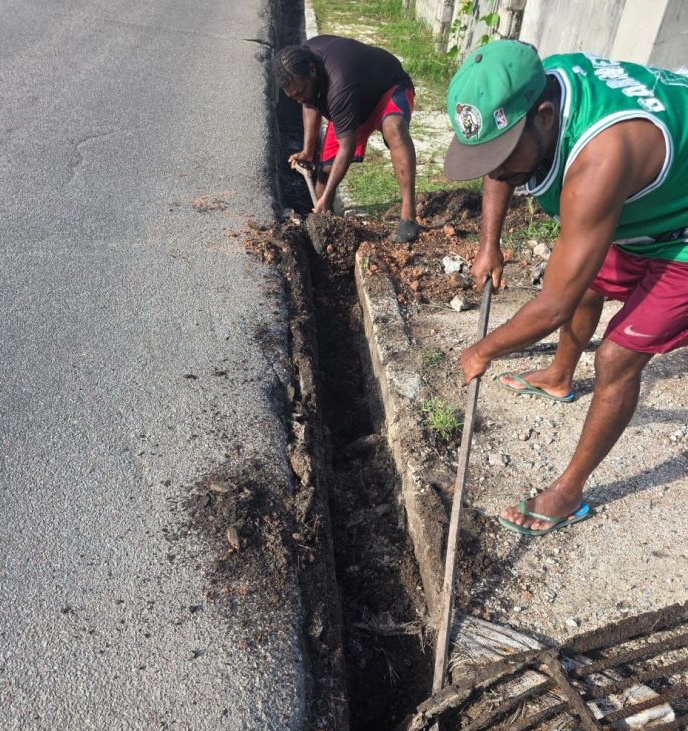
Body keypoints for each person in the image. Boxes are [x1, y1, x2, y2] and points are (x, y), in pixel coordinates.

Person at [443, 40, 688, 537]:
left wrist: (483, 349)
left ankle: (569, 492)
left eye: (504, 154)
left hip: (682, 233)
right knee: (589, 282)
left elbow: (553, 306)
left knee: (618, 357)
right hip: (650, 204)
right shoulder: (526, 87)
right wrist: (489, 242)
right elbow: (500, 162)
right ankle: (559, 376)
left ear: (546, 117)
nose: (496, 169)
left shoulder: (601, 160)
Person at [275, 36, 419, 243]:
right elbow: (309, 103)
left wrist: (327, 197)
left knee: (394, 128)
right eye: (293, 97)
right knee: (323, 179)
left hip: (387, 90)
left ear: (313, 70)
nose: (299, 99)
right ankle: (326, 238)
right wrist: (308, 151)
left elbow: (347, 147)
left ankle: (409, 216)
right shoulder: (301, 66)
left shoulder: (339, 83)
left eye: (301, 92)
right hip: (351, 106)